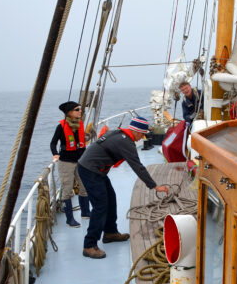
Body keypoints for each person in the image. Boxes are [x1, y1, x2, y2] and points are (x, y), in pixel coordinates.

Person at [77, 116, 169, 259]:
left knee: (111, 199)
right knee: (100, 206)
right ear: (137, 132)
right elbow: (138, 167)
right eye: (142, 134)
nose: (142, 138)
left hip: (96, 169)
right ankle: (89, 245)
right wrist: (155, 186)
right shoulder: (126, 143)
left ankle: (110, 232)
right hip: (90, 170)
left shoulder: (120, 134)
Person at [50, 101, 90, 228]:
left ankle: (85, 213)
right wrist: (55, 153)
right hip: (66, 163)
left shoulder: (80, 124)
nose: (80, 111)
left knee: (84, 187)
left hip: (80, 161)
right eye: (77, 109)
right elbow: (53, 143)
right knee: (67, 191)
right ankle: (69, 220)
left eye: (80, 109)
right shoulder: (61, 127)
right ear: (70, 113)